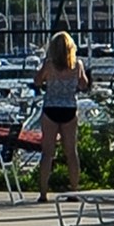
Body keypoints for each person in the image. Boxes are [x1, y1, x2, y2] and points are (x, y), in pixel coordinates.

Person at [34, 34, 93, 191]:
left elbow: (38, 81)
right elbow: (83, 85)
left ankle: (43, 191)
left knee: (47, 153)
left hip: (51, 108)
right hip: (69, 108)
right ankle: (74, 189)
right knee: (71, 153)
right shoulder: (77, 65)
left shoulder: (49, 65)